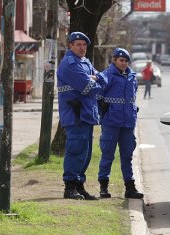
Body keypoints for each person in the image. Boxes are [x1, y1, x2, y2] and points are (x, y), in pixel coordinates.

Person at [57, 32, 107, 200]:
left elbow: (104, 81)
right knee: (76, 150)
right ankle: (69, 187)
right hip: (75, 114)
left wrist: (95, 78)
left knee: (85, 153)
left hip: (86, 113)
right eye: (78, 44)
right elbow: (88, 87)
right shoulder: (69, 63)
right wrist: (95, 79)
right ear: (70, 46)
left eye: (84, 45)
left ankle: (79, 185)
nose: (82, 47)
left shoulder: (84, 62)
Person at [97, 48, 143, 199]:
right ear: (114, 60)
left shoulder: (132, 76)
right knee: (108, 154)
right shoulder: (107, 75)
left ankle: (130, 187)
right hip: (111, 122)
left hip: (128, 123)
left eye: (125, 61)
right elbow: (98, 96)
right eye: (120, 60)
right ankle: (103, 186)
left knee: (127, 155)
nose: (123, 63)